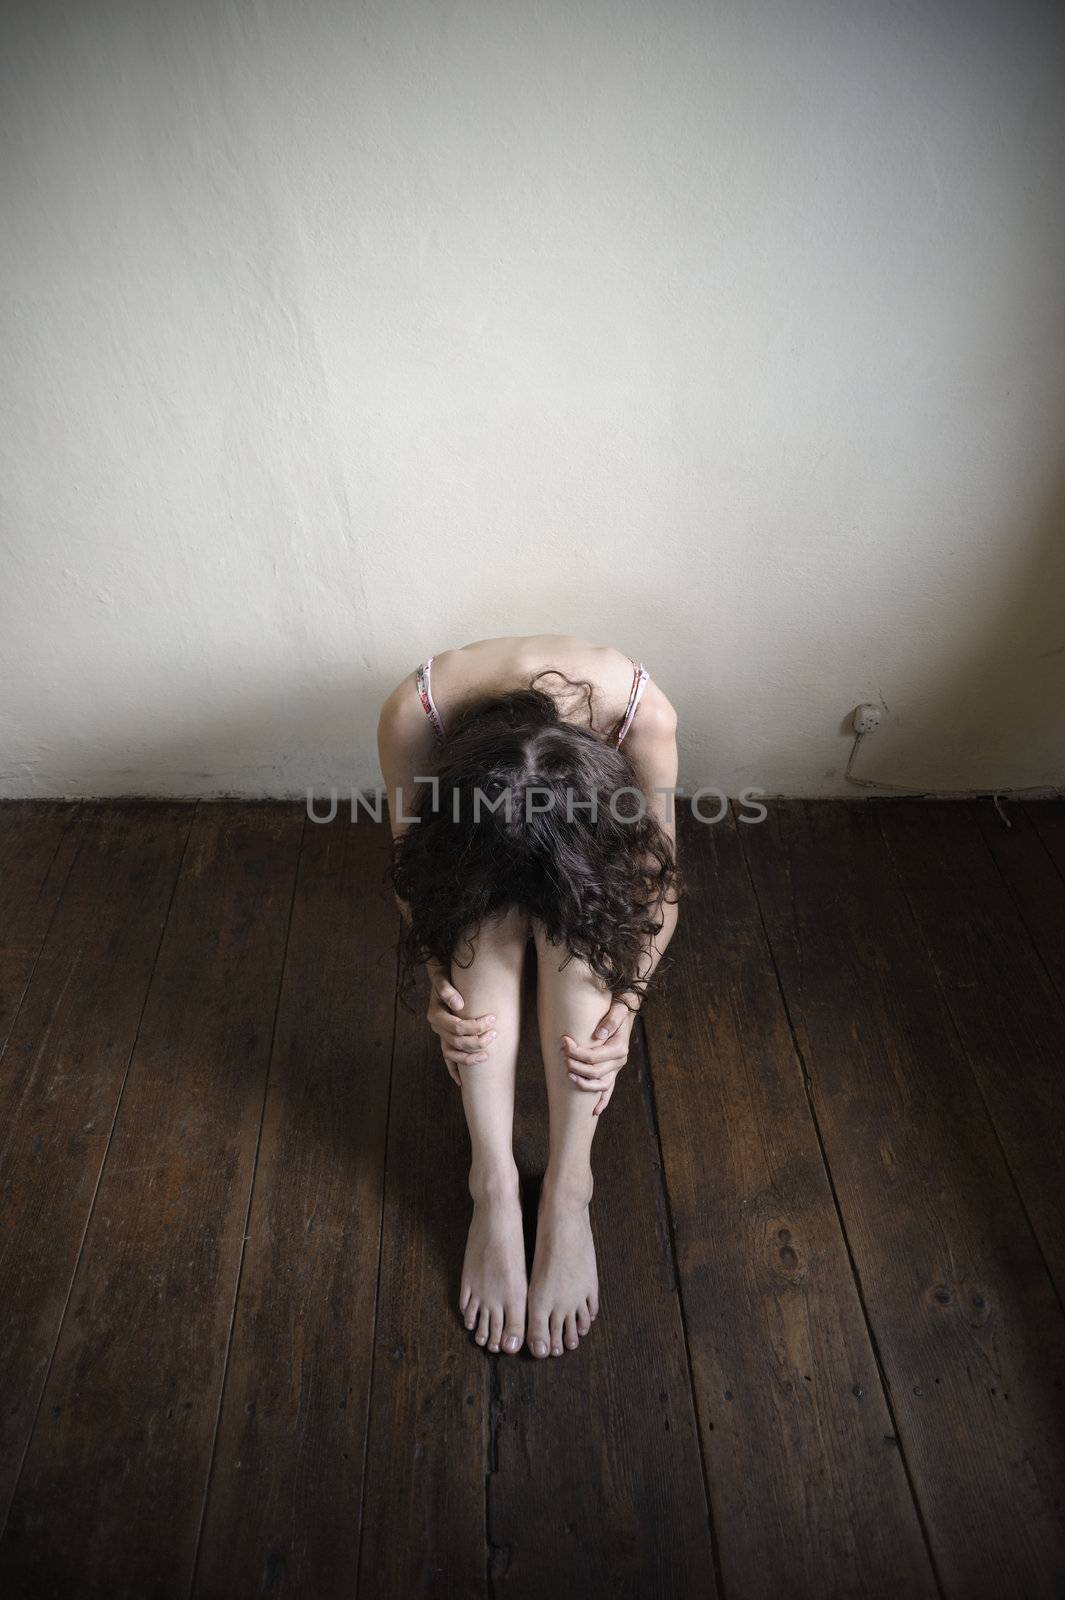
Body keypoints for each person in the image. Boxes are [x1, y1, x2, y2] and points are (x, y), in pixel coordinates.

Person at [376, 634, 680, 1359]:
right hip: (478, 852)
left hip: (583, 854)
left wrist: (625, 1012)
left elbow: (660, 882)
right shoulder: (412, 716)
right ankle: (493, 1182)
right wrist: (437, 983)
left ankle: (571, 1188)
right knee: (479, 963)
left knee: (579, 965)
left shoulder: (643, 718)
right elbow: (414, 867)